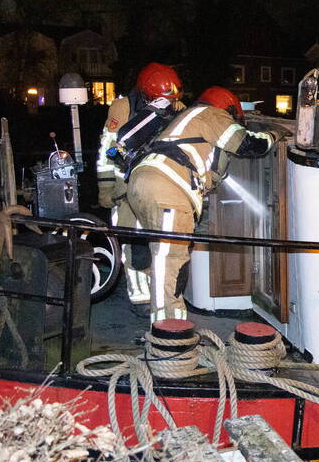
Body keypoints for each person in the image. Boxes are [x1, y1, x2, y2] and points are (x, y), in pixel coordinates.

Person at [126, 86, 279, 323]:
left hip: (141, 182)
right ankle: (169, 332)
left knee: (160, 254)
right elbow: (249, 144)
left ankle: (159, 319)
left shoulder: (185, 118)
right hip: (168, 188)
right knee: (171, 260)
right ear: (228, 109)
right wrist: (274, 134)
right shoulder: (213, 115)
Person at [97, 62, 184, 304]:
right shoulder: (123, 108)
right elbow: (108, 150)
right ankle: (140, 299)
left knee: (164, 244)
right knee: (134, 246)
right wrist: (105, 187)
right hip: (125, 191)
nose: (164, 105)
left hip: (162, 189)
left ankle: (163, 293)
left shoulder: (177, 107)